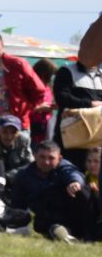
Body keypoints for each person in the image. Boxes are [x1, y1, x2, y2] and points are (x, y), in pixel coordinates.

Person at [0, 30, 50, 138]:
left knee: (17, 155)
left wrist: (26, 109)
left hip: (14, 127)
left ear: (2, 45)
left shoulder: (17, 64)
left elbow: (39, 90)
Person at [9, 141, 87, 243]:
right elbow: (17, 204)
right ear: (35, 156)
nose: (46, 162)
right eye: (42, 157)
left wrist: (75, 183)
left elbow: (73, 173)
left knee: (83, 192)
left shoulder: (64, 168)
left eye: (51, 158)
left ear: (59, 158)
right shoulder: (23, 175)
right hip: (43, 220)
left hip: (69, 216)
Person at [50, 37, 102, 165]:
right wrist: (89, 104)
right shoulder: (67, 71)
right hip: (71, 138)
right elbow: (62, 97)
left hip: (97, 138)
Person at [0, 114, 33, 179]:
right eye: (5, 131)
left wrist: (11, 175)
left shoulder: (23, 140)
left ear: (19, 132)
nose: (9, 136)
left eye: (14, 132)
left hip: (16, 177)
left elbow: (30, 163)